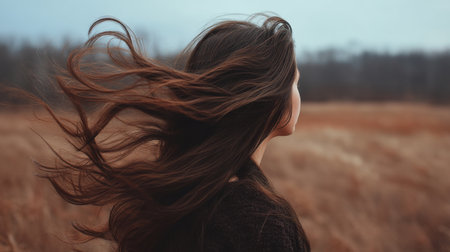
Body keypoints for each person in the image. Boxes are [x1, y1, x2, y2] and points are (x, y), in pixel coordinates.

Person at [31, 12, 311, 252]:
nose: (298, 94)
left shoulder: (182, 197)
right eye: (294, 82)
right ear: (268, 96)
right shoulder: (261, 222)